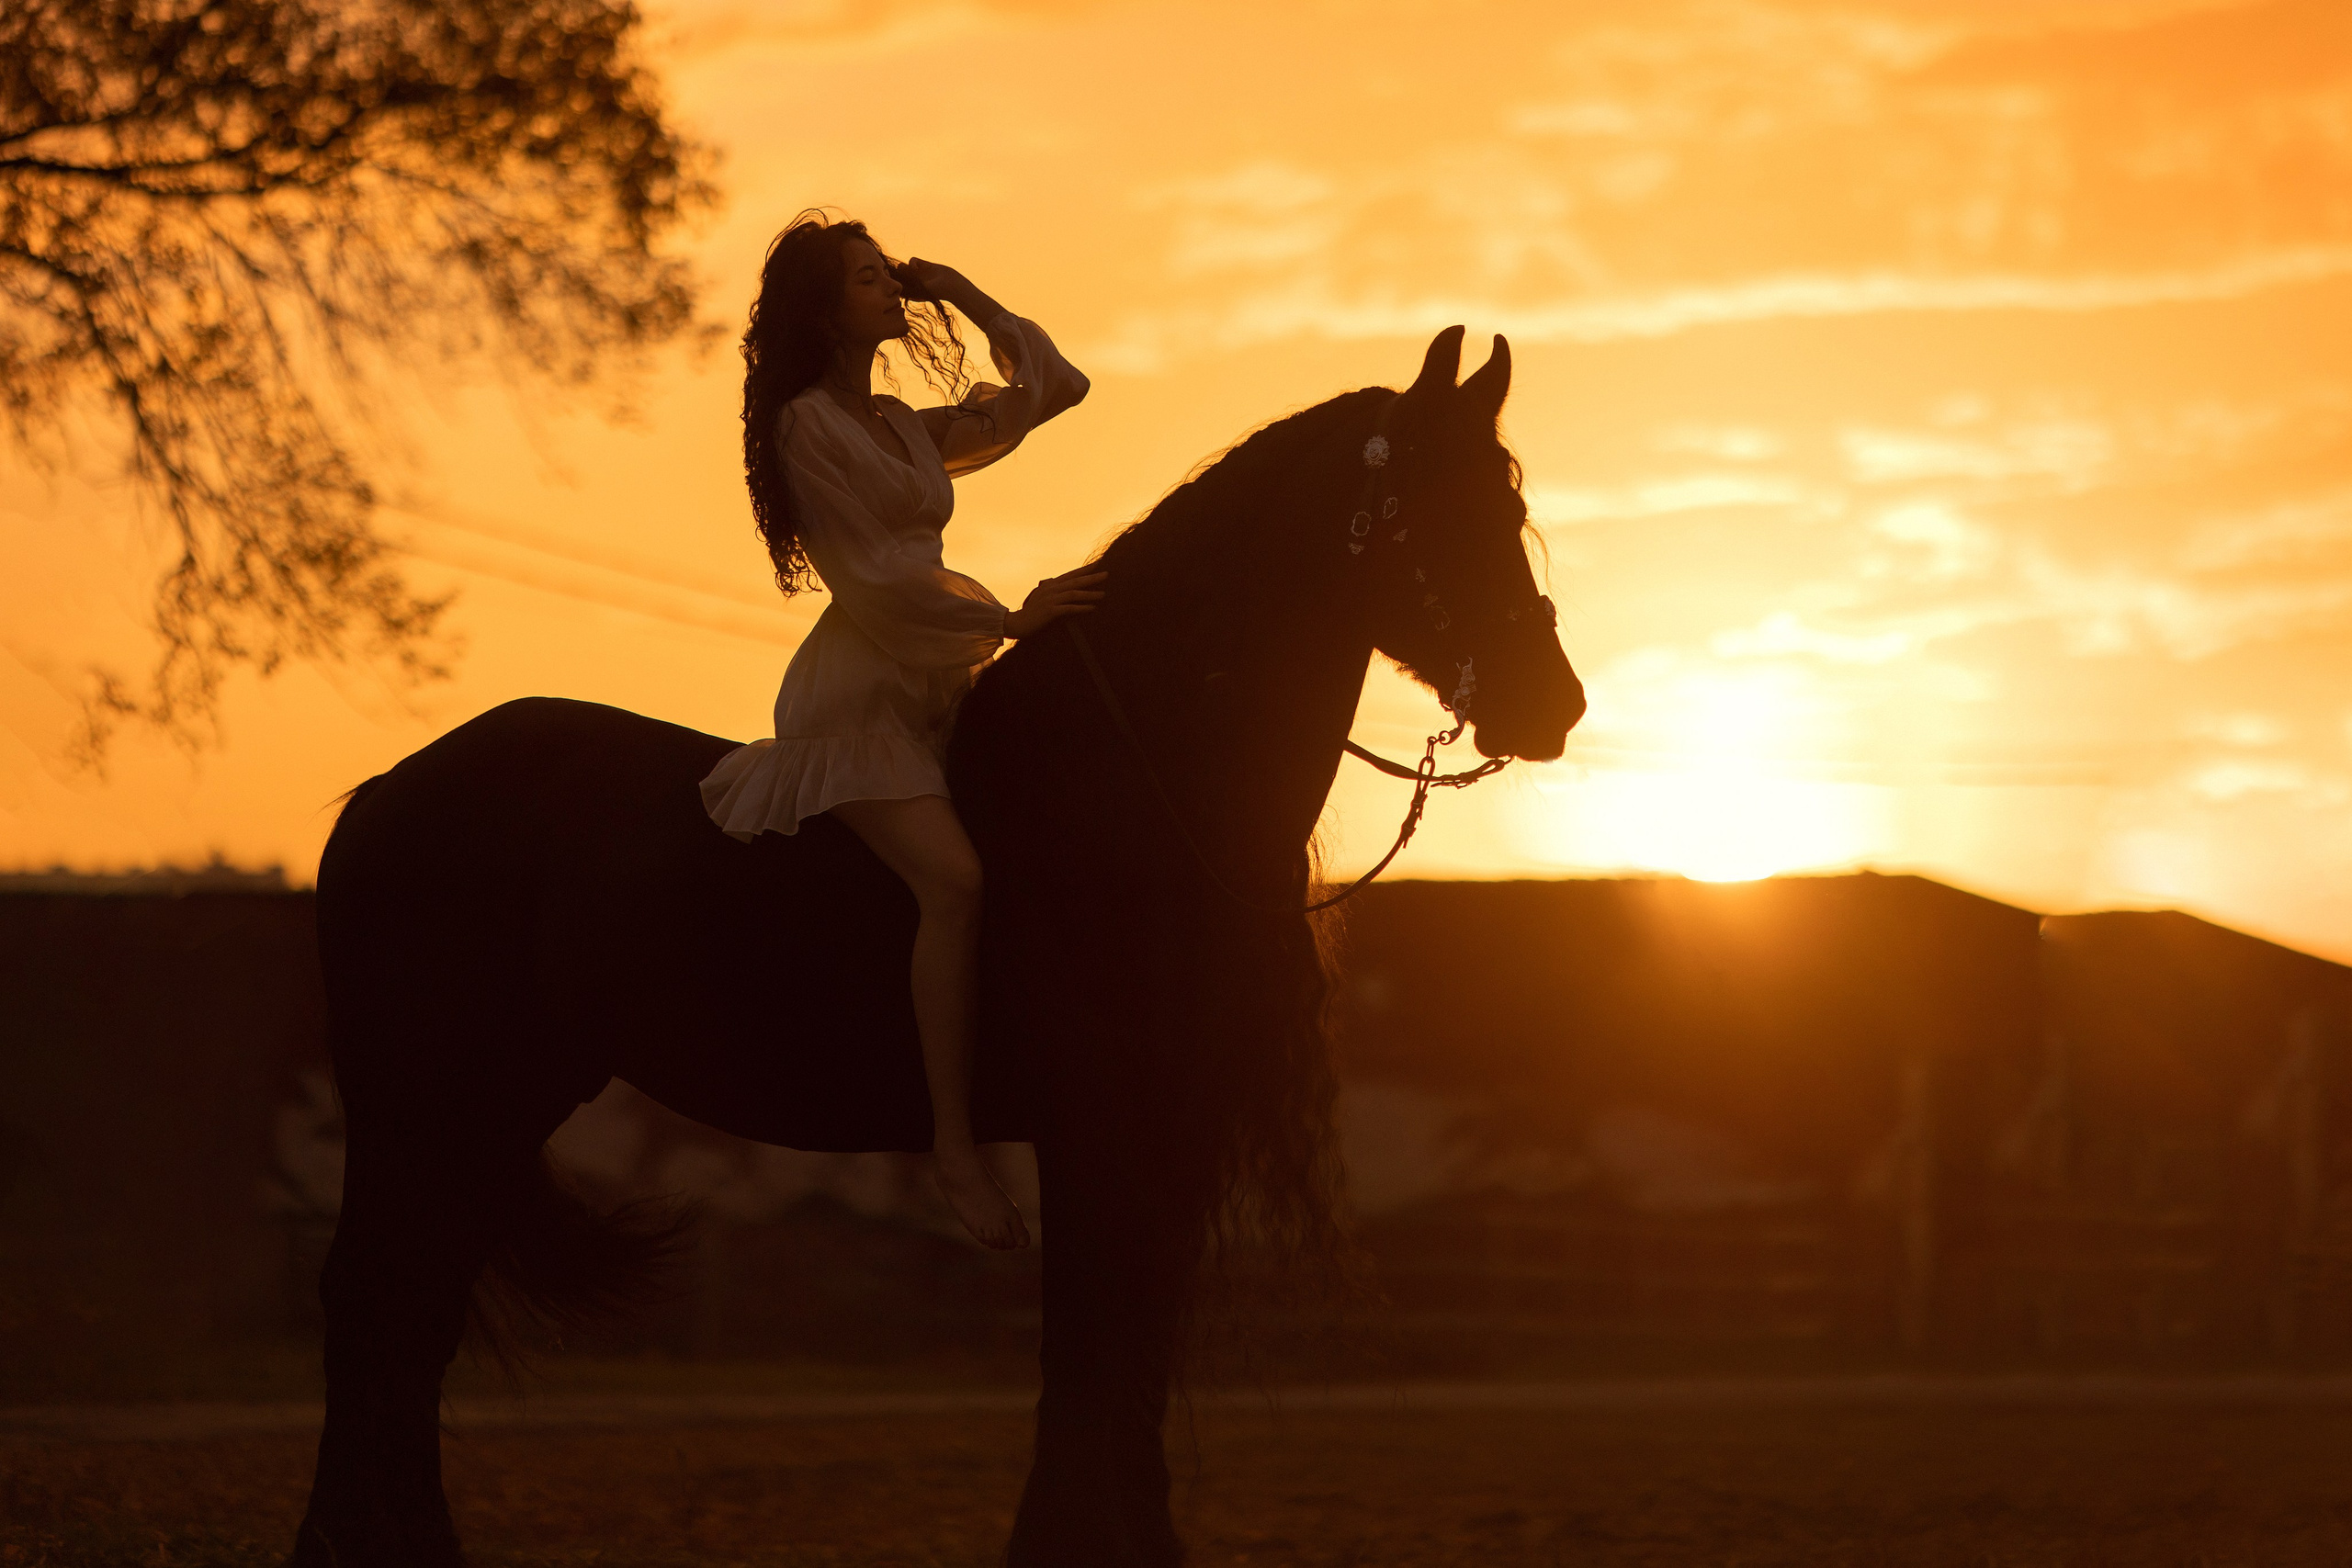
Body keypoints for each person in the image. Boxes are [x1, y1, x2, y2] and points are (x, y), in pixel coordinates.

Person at [699, 211, 1102, 1250]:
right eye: (869, 279)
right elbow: (875, 582)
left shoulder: (898, 425)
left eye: (889, 276)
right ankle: (955, 1154)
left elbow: (1055, 389)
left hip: (933, 676)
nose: (890, 290)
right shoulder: (804, 427)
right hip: (863, 692)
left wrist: (963, 290)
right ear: (823, 309)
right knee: (954, 882)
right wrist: (1008, 619)